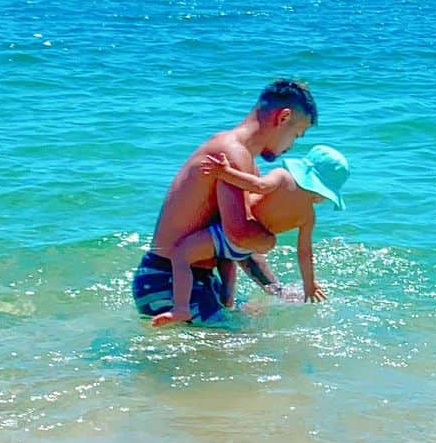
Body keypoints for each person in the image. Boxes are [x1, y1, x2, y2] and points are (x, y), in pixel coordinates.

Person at [132, 79, 317, 323]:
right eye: (296, 135)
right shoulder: (230, 154)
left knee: (249, 320)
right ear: (283, 117)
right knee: (242, 350)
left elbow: (232, 246)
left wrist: (275, 290)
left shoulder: (245, 163)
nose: (291, 146)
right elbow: (239, 234)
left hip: (188, 278)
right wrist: (268, 239)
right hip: (167, 280)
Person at [150, 145, 350, 325]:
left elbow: (258, 185)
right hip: (244, 248)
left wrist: (225, 172)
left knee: (181, 255)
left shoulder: (281, 177)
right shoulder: (308, 216)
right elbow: (304, 252)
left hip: (229, 233)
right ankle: (228, 302)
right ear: (322, 193)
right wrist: (309, 284)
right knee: (228, 265)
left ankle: (181, 308)